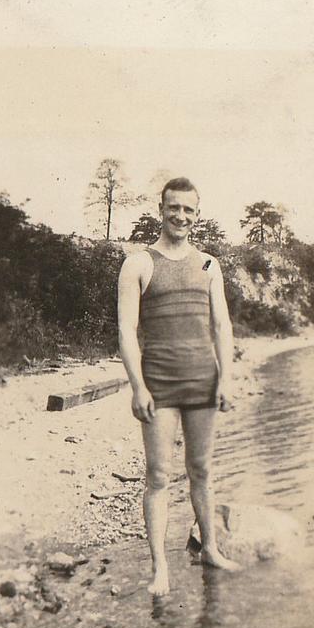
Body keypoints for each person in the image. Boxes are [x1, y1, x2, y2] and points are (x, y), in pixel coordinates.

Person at [118, 177, 240, 596]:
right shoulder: (138, 263)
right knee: (157, 475)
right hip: (160, 383)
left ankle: (210, 549)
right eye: (174, 208)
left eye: (189, 209)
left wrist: (226, 378)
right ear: (161, 209)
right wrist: (138, 387)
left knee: (202, 471)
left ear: (198, 214)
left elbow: (222, 325)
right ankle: (159, 570)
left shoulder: (209, 264)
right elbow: (125, 331)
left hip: (203, 381)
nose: (181, 216)